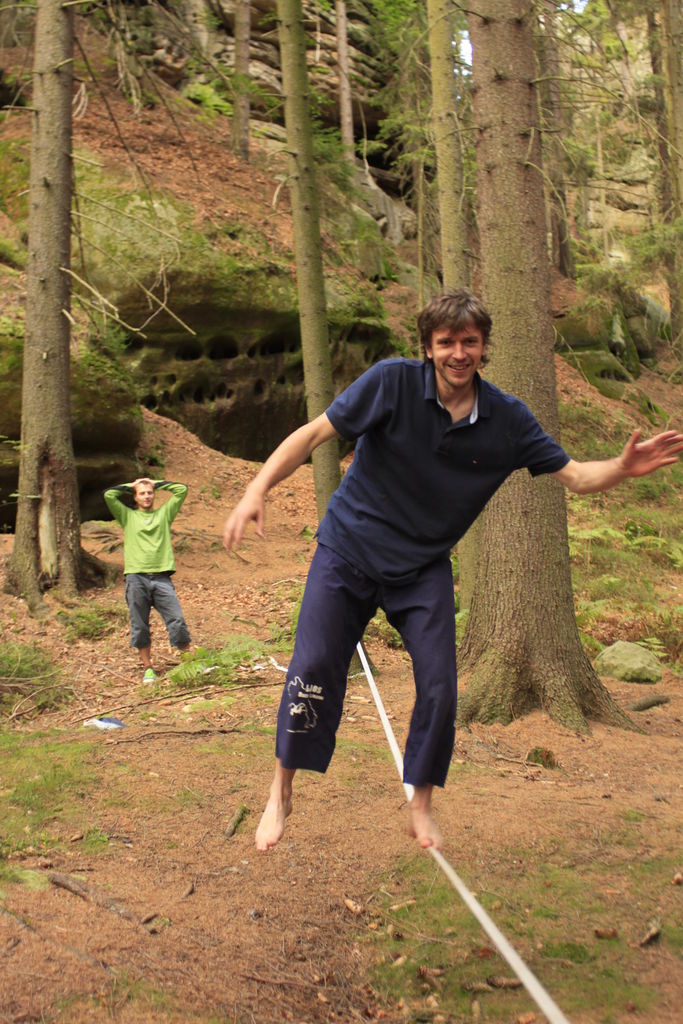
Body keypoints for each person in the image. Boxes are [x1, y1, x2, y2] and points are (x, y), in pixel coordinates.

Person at [222, 289, 683, 853]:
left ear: (483, 347)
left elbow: (577, 477)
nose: (458, 352)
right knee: (314, 663)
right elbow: (314, 434)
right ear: (428, 348)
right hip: (348, 548)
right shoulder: (391, 382)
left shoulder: (508, 421)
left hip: (420, 567)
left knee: (440, 684)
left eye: (469, 341)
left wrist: (622, 467)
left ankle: (420, 805)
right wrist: (256, 489)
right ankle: (281, 790)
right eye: (446, 342)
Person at [104, 477, 191, 684]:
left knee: (177, 620)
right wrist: (133, 485)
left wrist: (154, 482)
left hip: (161, 577)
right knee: (140, 625)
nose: (146, 496)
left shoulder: (164, 514)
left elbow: (181, 489)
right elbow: (109, 494)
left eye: (149, 493)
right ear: (135, 497)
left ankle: (190, 663)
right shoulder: (127, 516)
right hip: (136, 577)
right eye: (142, 493)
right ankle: (148, 668)